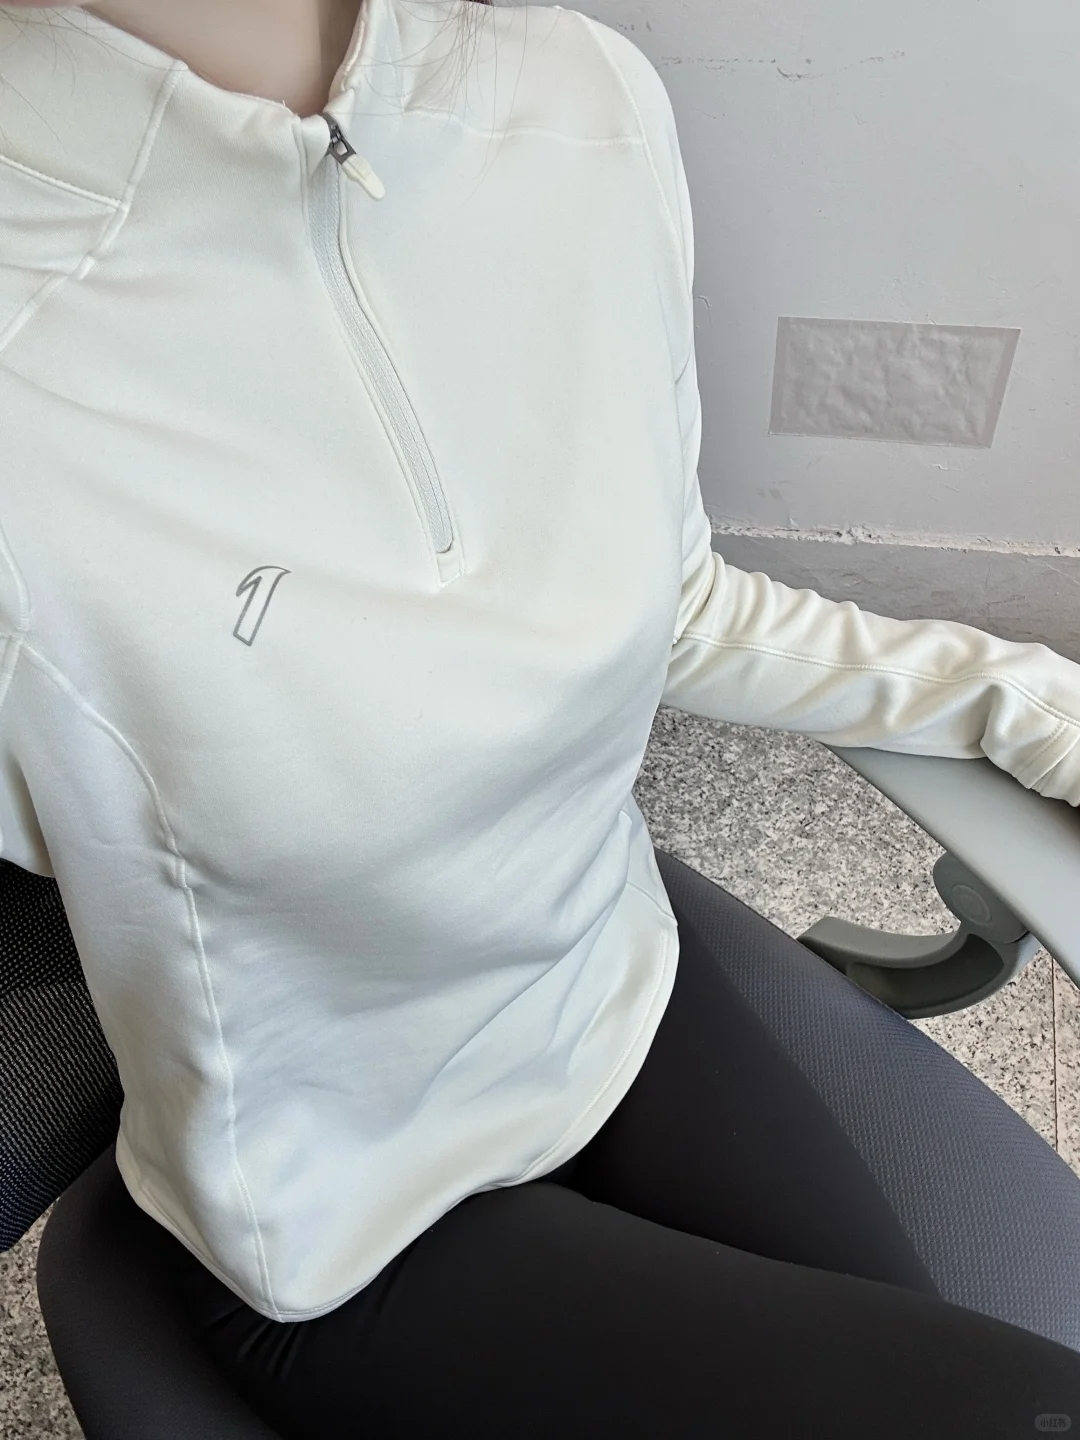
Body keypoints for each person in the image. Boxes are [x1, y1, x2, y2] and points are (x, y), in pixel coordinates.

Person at [3, 1, 1080, 1434]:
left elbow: (674, 604)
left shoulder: (582, 101)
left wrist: (1026, 703)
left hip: (612, 989)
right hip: (344, 1218)